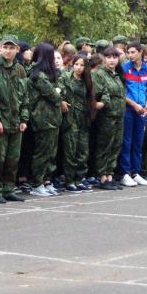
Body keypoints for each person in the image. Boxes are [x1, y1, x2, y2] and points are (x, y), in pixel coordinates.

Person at [0, 35, 29, 202]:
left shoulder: (20, 69)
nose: (8, 51)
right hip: (0, 120)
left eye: (12, 48)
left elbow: (24, 95)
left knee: (13, 158)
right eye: (5, 47)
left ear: (17, 50)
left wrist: (24, 118)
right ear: (1, 48)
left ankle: (9, 188)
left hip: (15, 120)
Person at [28, 43, 63, 197]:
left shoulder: (48, 74)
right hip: (43, 119)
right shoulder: (39, 75)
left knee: (51, 153)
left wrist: (58, 91)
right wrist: (57, 91)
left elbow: (59, 90)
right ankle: (37, 183)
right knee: (42, 153)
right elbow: (54, 95)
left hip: (53, 118)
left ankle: (47, 180)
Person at [119, 42, 147, 187]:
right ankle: (125, 173)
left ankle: (135, 173)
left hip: (142, 112)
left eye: (133, 52)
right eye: (129, 52)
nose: (130, 55)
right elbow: (122, 92)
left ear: (140, 52)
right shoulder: (124, 69)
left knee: (138, 142)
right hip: (128, 110)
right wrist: (134, 105)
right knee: (126, 142)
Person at [92, 47, 126, 190]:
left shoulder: (116, 75)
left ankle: (109, 175)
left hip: (118, 115)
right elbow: (99, 94)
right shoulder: (99, 74)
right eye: (109, 57)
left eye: (114, 57)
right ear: (104, 58)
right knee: (104, 146)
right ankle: (102, 176)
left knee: (116, 146)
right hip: (106, 116)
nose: (112, 60)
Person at [60, 54, 94, 192]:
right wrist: (61, 101)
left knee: (83, 151)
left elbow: (94, 95)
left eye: (82, 65)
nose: (79, 68)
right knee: (70, 151)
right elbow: (57, 91)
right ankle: (69, 181)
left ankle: (79, 179)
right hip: (70, 118)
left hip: (83, 119)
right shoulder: (65, 78)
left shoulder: (88, 80)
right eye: (76, 64)